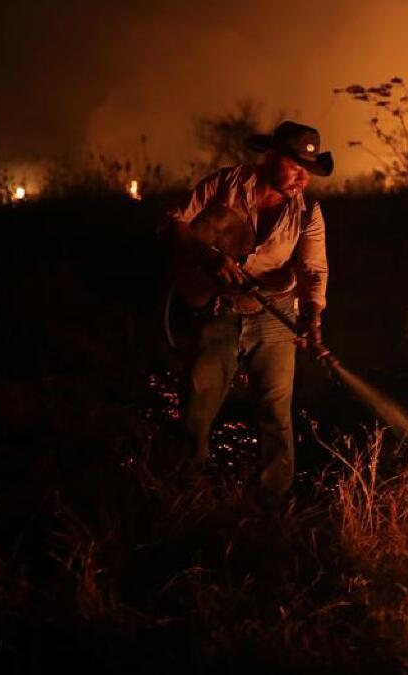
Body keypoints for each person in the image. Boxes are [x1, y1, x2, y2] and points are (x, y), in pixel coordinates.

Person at [165, 120, 332, 496]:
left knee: (275, 413)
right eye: (294, 166)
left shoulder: (308, 212)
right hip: (217, 309)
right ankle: (183, 491)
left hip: (274, 314)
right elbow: (175, 220)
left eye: (307, 171)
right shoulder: (224, 185)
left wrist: (311, 314)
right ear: (270, 157)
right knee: (198, 403)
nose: (301, 178)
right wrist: (208, 257)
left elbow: (312, 269)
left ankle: (271, 504)